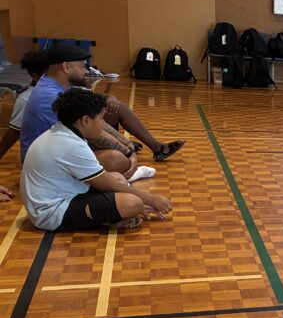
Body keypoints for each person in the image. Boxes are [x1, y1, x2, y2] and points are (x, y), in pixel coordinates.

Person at [21, 87, 172, 231]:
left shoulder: (64, 131)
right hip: (52, 214)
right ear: (86, 121)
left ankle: (111, 216)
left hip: (63, 195)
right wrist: (150, 199)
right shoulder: (72, 146)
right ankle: (107, 221)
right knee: (133, 203)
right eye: (101, 119)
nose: (103, 124)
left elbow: (109, 181)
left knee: (118, 178)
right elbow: (106, 184)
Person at [20, 43, 184, 166]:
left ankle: (157, 148)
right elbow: (94, 132)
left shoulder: (56, 84)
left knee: (115, 110)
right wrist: (127, 152)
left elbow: (95, 111)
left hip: (59, 149)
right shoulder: (50, 95)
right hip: (43, 162)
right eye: (82, 67)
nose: (86, 71)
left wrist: (125, 144)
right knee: (116, 159)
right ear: (66, 67)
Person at [0, 50, 49, 162]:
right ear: (35, 76)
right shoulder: (26, 99)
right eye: (48, 74)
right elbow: (13, 132)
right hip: (37, 159)